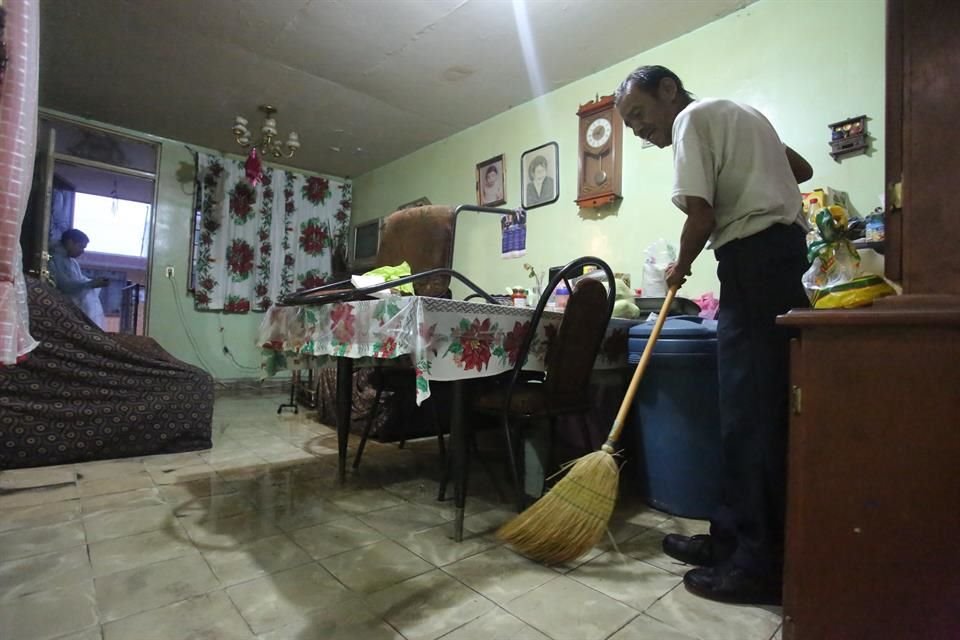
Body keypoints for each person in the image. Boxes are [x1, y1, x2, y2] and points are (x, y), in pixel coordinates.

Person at [615, 65, 813, 605]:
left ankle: (757, 565)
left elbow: (700, 215)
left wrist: (678, 267)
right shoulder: (741, 115)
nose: (636, 129)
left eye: (638, 115)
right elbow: (802, 166)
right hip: (778, 261)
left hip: (753, 261)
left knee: (751, 417)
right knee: (747, 411)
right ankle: (729, 541)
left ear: (668, 91)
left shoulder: (691, 119)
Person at [50, 228, 108, 328]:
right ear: (70, 242)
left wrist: (94, 283)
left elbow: (79, 281)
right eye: (81, 247)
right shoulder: (55, 258)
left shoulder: (72, 262)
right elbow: (64, 285)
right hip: (62, 307)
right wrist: (90, 284)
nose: (82, 251)